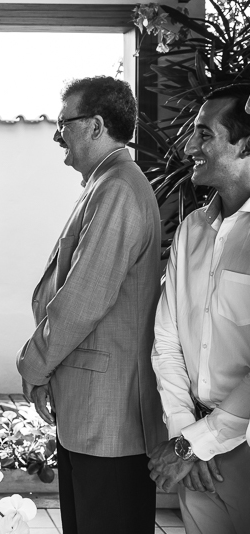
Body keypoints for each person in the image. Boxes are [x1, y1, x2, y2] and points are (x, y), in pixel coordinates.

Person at [15, 76, 165, 534]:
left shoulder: (118, 188)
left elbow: (83, 298)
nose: (57, 135)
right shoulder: (106, 182)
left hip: (109, 419)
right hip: (94, 413)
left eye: (64, 123)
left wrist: (32, 365)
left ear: (96, 125)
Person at [148, 85, 250, 534]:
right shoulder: (192, 229)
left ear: (245, 144)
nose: (189, 147)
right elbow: (167, 338)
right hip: (192, 453)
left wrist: (198, 444)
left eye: (204, 134)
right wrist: (184, 435)